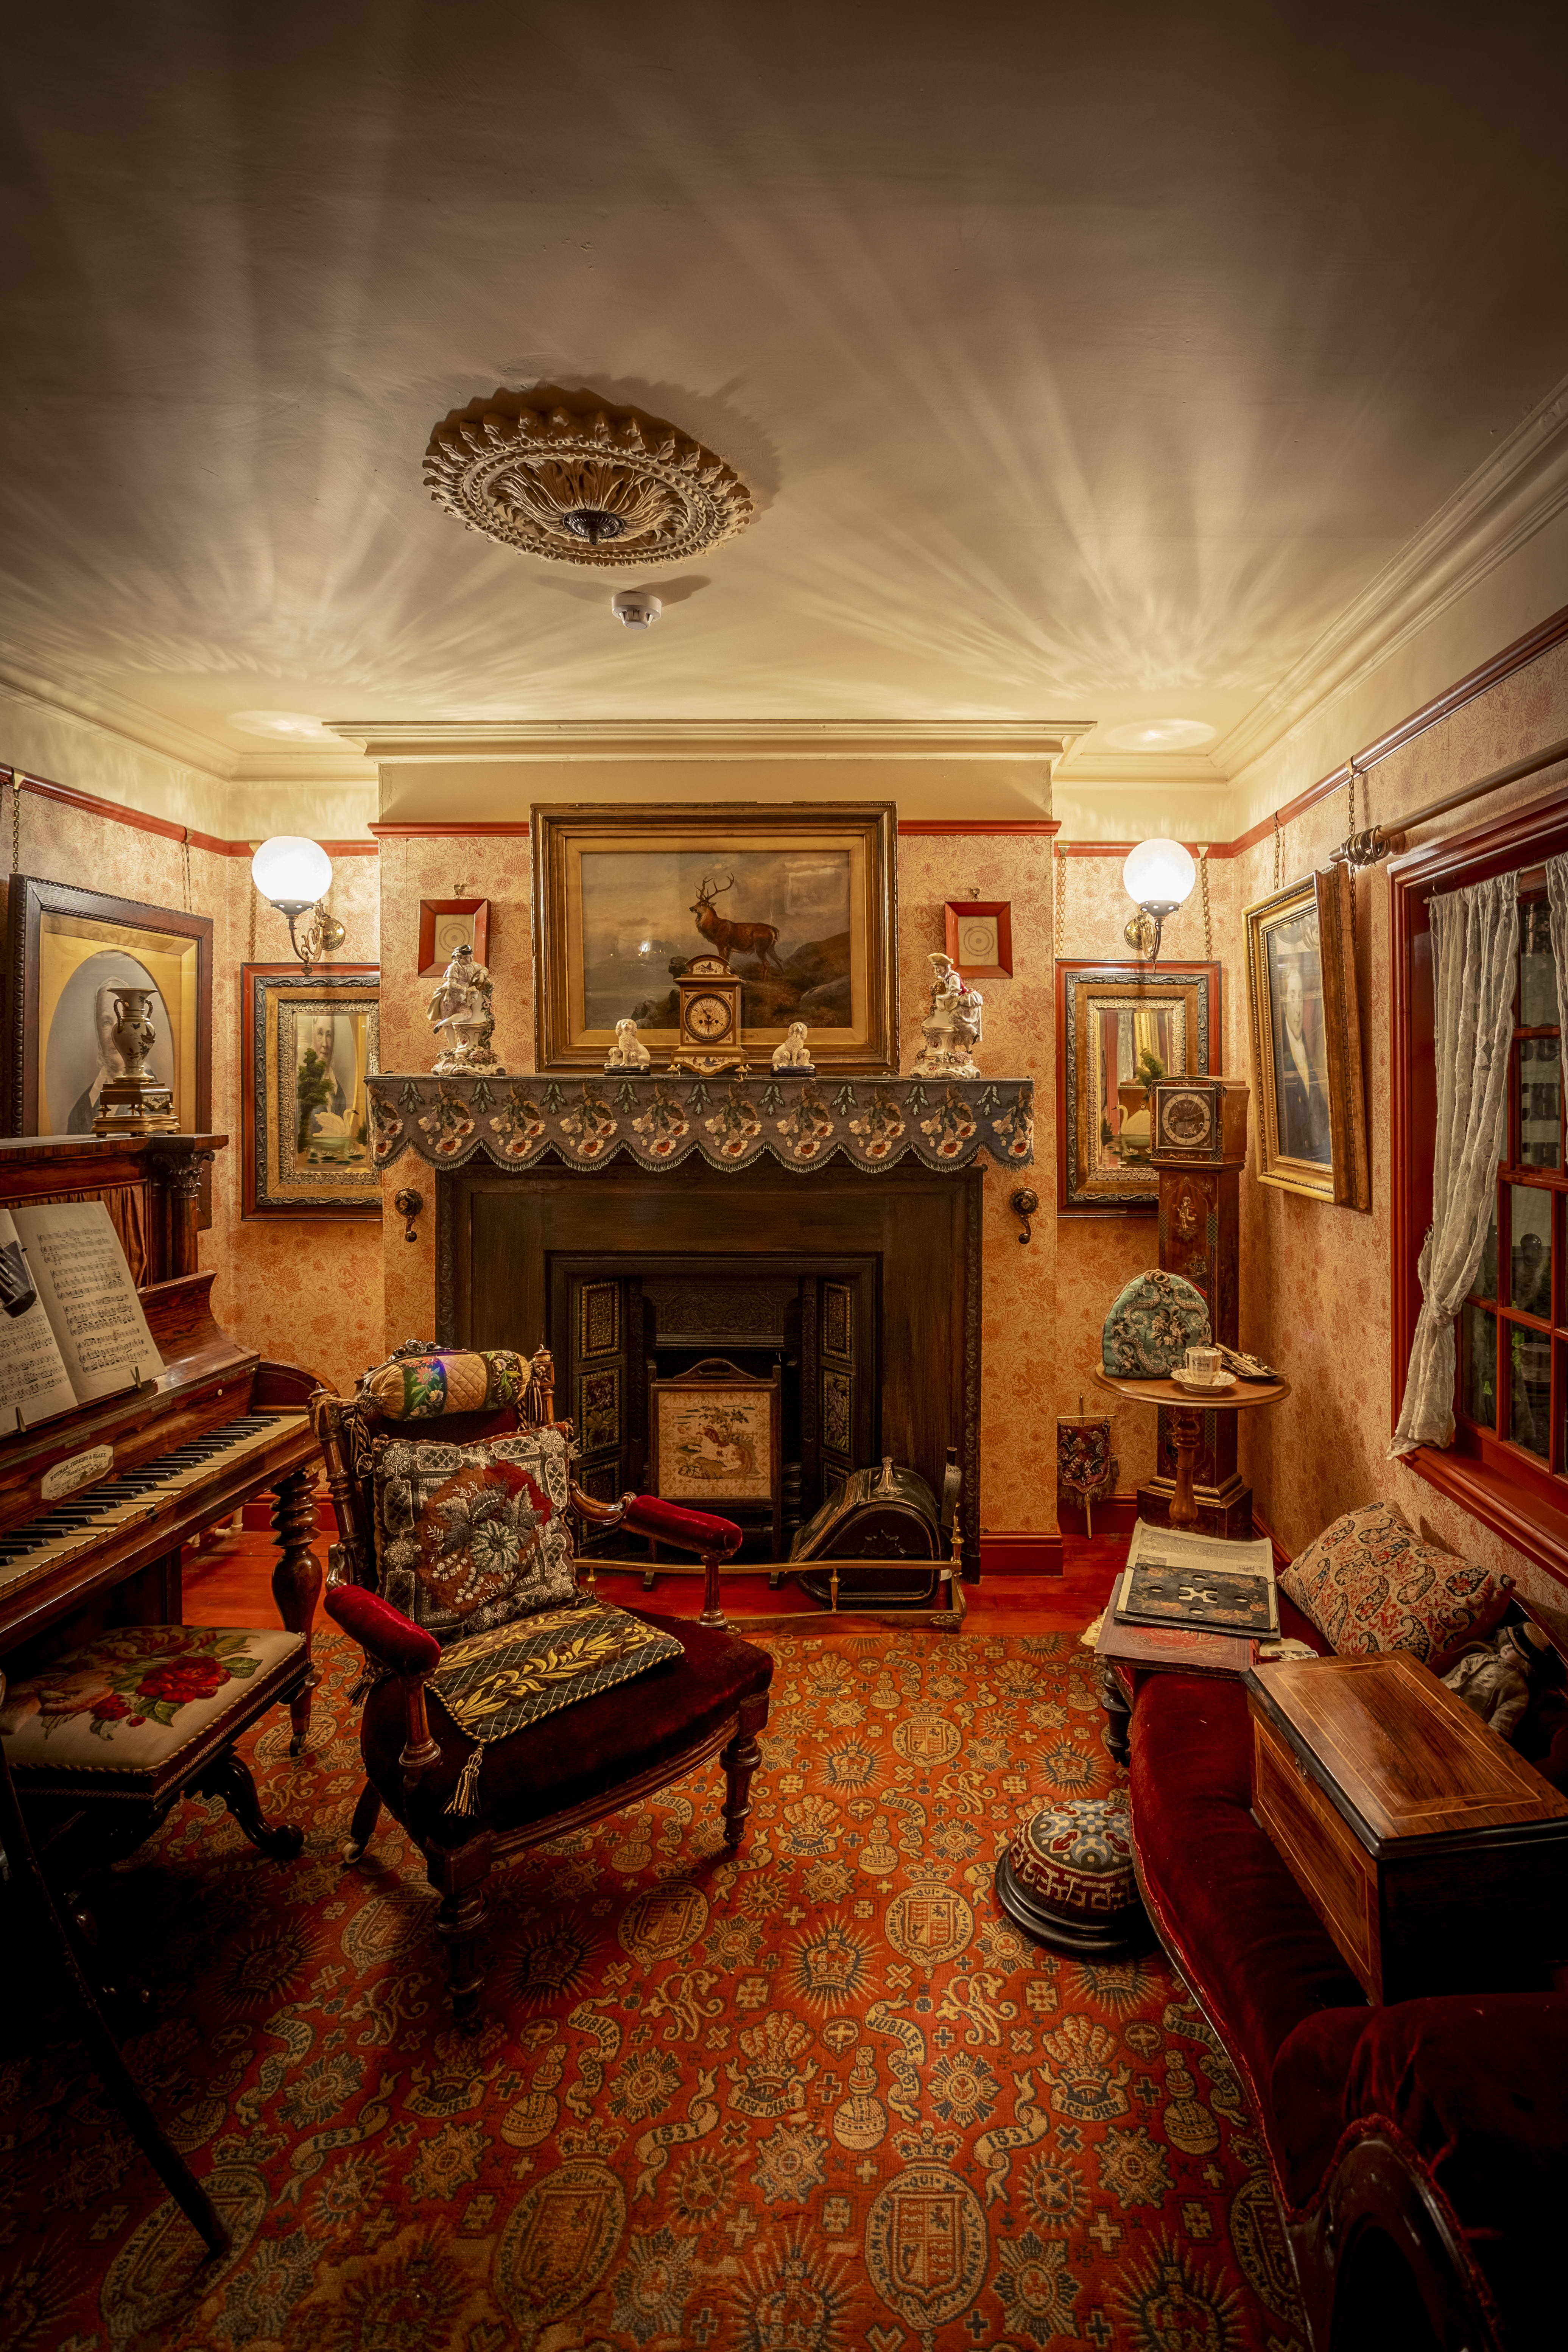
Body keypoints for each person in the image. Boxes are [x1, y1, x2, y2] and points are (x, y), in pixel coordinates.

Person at [1276, 964, 1330, 1163]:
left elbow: (1318, 1106)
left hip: (1319, 1151)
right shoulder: (1279, 1054)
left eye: (1300, 997)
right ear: (1283, 1006)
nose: (1297, 1008)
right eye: (1291, 997)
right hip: (1295, 1155)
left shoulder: (1307, 1049)